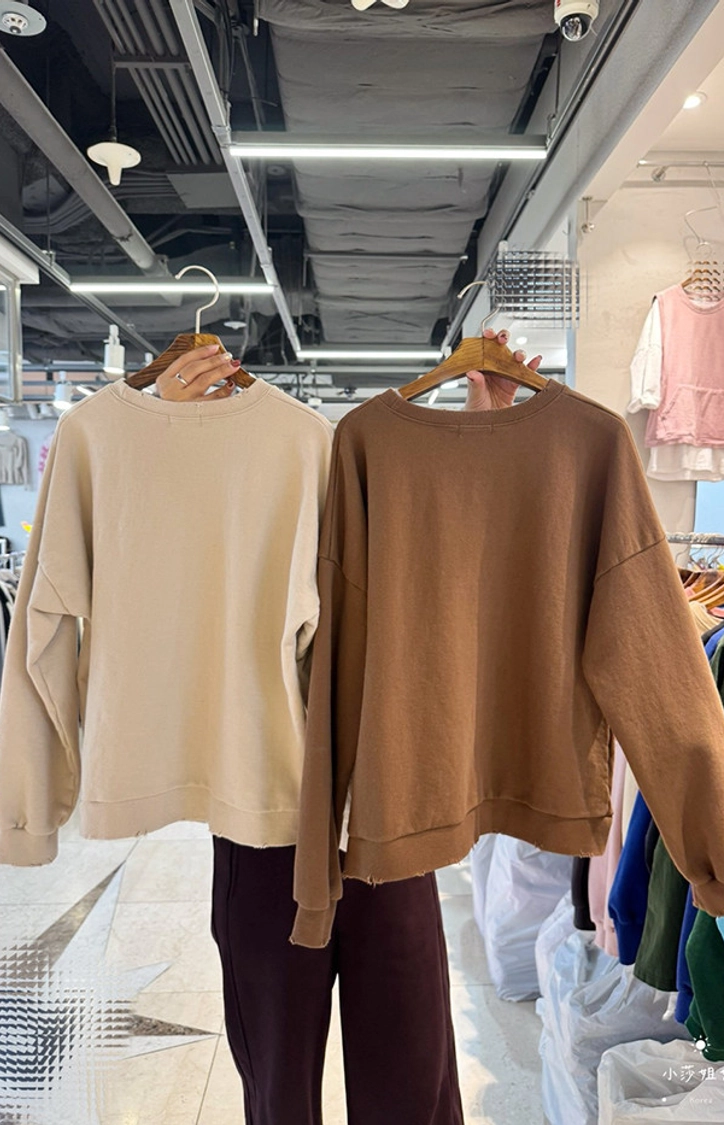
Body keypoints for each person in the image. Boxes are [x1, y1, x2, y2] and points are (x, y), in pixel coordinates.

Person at [151, 328, 542, 1125]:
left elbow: (475, 566)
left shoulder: (393, 484)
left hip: (388, 812)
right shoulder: (229, 490)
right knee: (278, 1083)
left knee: (413, 1073)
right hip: (265, 812)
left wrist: (485, 430)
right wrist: (167, 436)